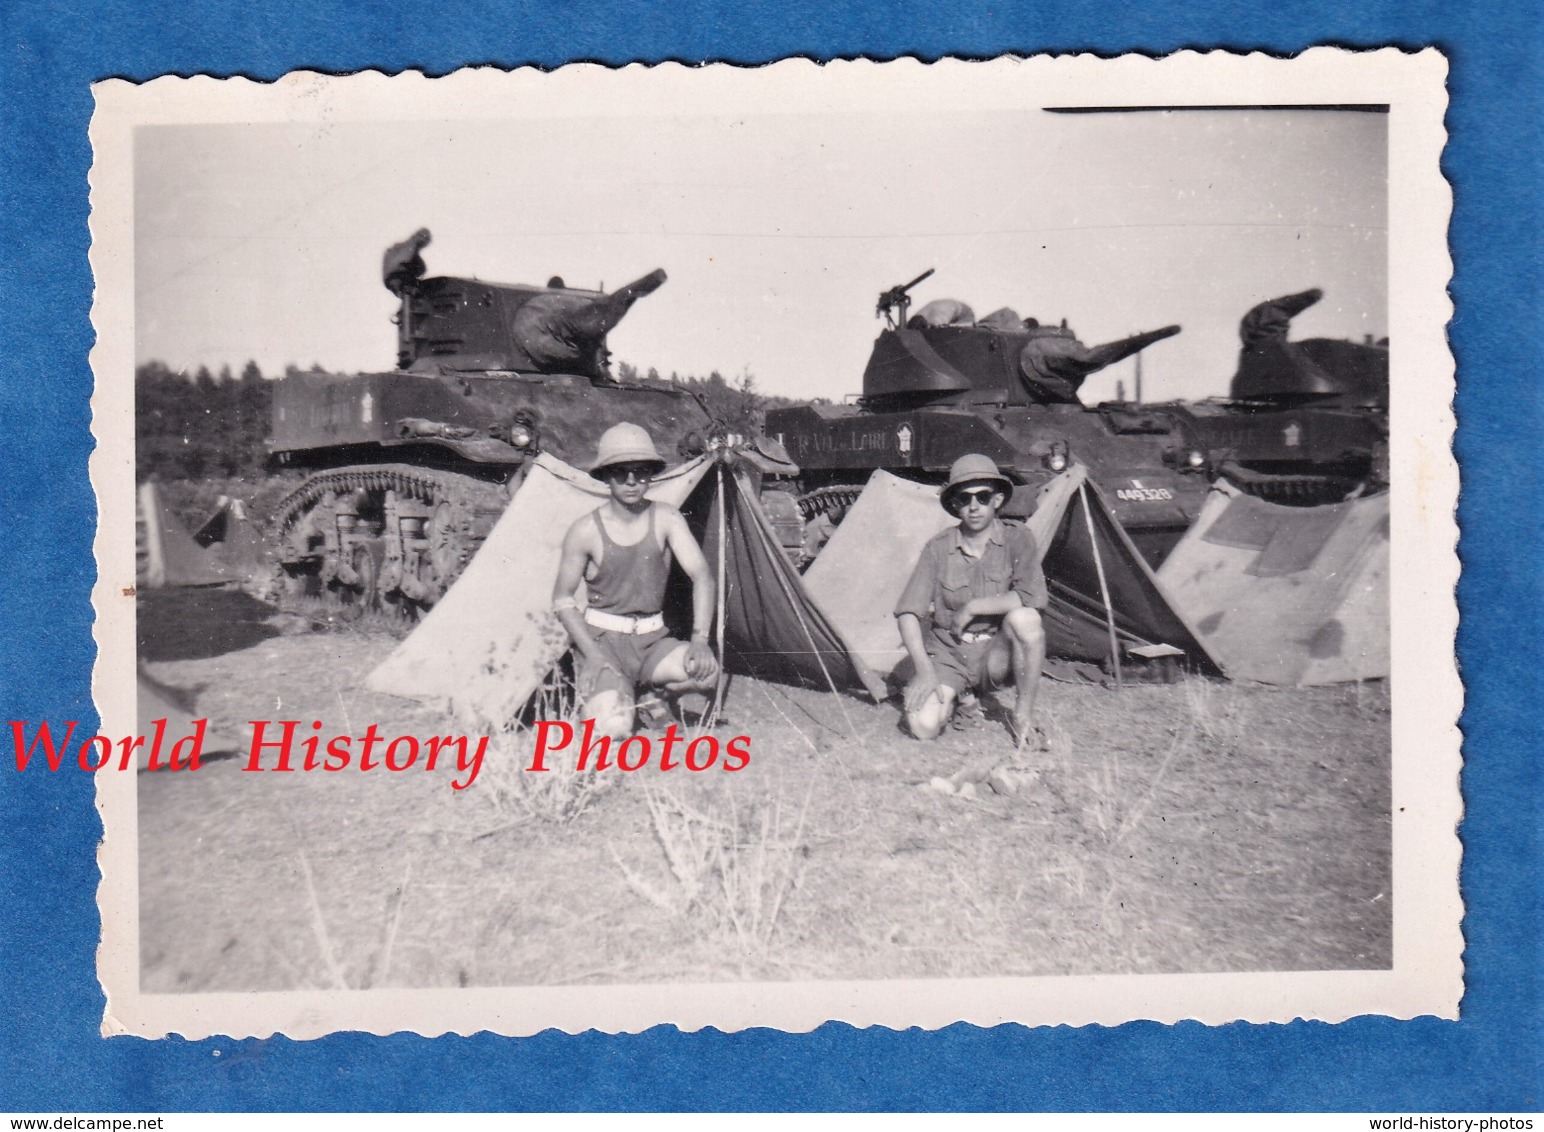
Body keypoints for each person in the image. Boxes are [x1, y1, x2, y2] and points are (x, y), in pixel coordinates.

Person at [551, 422, 719, 739]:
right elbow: (562, 599)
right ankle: (617, 696)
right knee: (614, 727)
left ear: (651, 474)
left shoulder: (667, 518)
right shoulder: (585, 530)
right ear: (604, 476)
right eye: (620, 472)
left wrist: (700, 639)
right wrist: (593, 655)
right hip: (605, 643)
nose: (631, 481)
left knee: (706, 675)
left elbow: (702, 576)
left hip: (653, 640)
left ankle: (650, 697)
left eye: (641, 471)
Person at [893, 453, 1048, 748]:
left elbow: (1033, 596)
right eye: (964, 499)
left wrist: (975, 606)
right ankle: (963, 699)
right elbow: (907, 613)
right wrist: (924, 671)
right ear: (954, 504)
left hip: (995, 654)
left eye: (983, 496)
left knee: (1027, 619)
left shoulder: (1018, 537)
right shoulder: (938, 548)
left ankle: (1023, 717)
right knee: (923, 727)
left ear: (998, 500)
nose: (974, 506)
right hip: (950, 653)